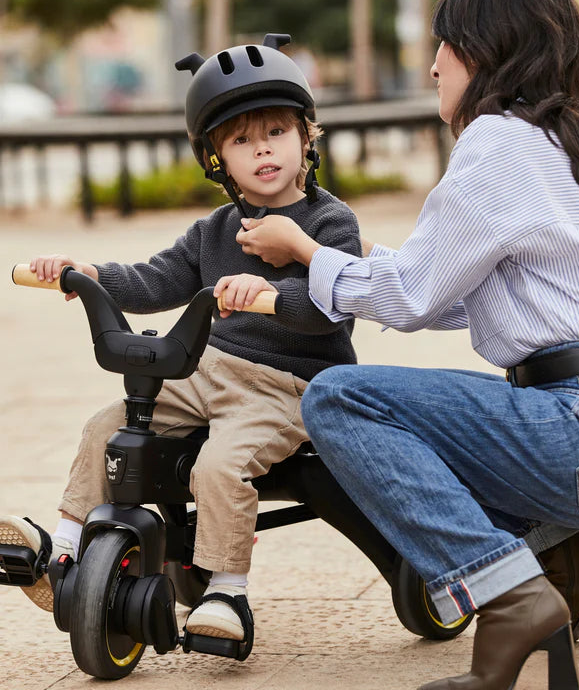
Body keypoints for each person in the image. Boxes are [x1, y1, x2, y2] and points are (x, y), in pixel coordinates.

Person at [234, 0, 579, 690]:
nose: (433, 64)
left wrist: (306, 252)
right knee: (442, 437)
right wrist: (357, 257)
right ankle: (573, 557)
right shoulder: (574, 145)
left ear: (487, 47)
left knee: (345, 401)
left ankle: (510, 595)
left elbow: (412, 298)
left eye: (446, 42)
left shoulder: (496, 141)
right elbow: (481, 293)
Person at [0, 35, 361, 645]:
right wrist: (89, 273)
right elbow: (154, 279)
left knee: (221, 465)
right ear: (217, 159)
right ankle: (60, 550)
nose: (262, 149)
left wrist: (268, 292)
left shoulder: (329, 223)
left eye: (276, 132)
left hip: (287, 387)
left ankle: (227, 591)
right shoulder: (214, 229)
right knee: (108, 427)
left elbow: (331, 310)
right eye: (241, 140)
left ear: (307, 138)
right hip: (205, 371)